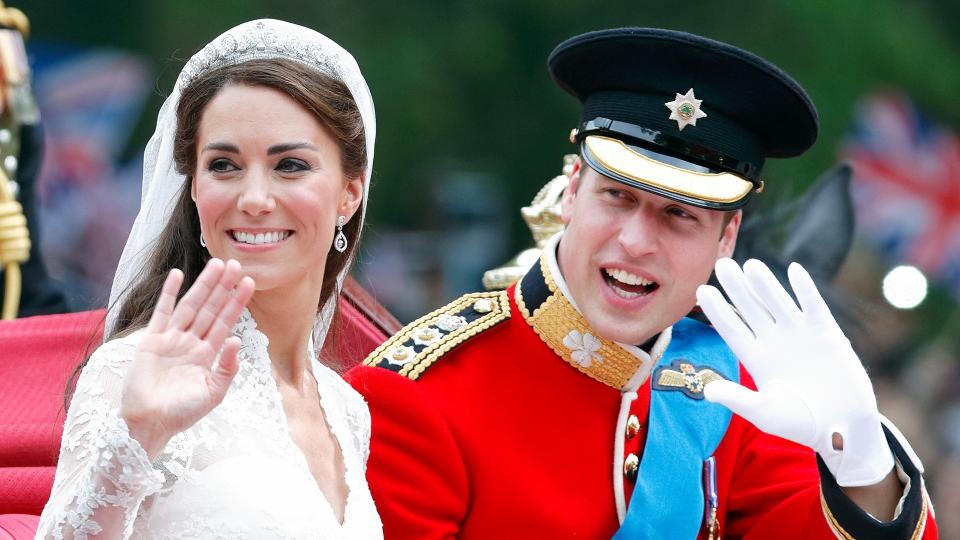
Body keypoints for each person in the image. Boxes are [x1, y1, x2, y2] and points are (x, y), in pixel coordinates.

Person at [346, 28, 936, 539]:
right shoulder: (419, 393)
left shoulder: (735, 392)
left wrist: (862, 464)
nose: (636, 241)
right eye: (618, 197)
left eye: (680, 216)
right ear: (572, 187)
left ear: (727, 236)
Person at [36, 19, 382, 539]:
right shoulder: (131, 370)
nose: (254, 199)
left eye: (290, 165)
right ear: (193, 188)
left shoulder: (348, 411)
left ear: (350, 192)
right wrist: (139, 434)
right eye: (224, 165)